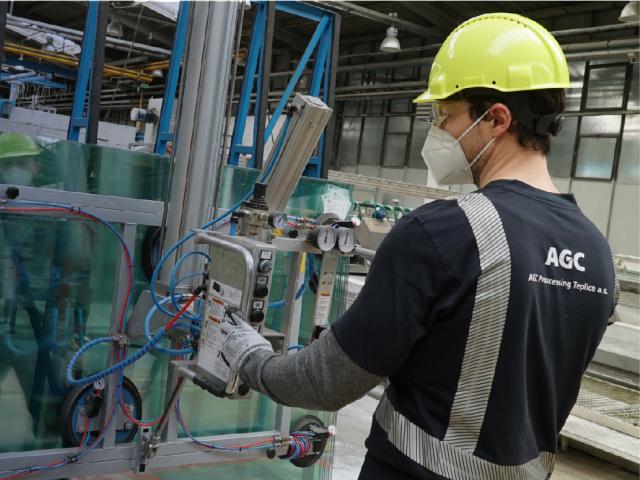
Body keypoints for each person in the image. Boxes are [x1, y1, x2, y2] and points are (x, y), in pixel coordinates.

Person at [218, 13, 619, 480]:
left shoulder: (442, 233)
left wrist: (250, 359)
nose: (440, 132)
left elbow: (327, 383)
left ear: (496, 119)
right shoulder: (598, 254)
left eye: (446, 117)